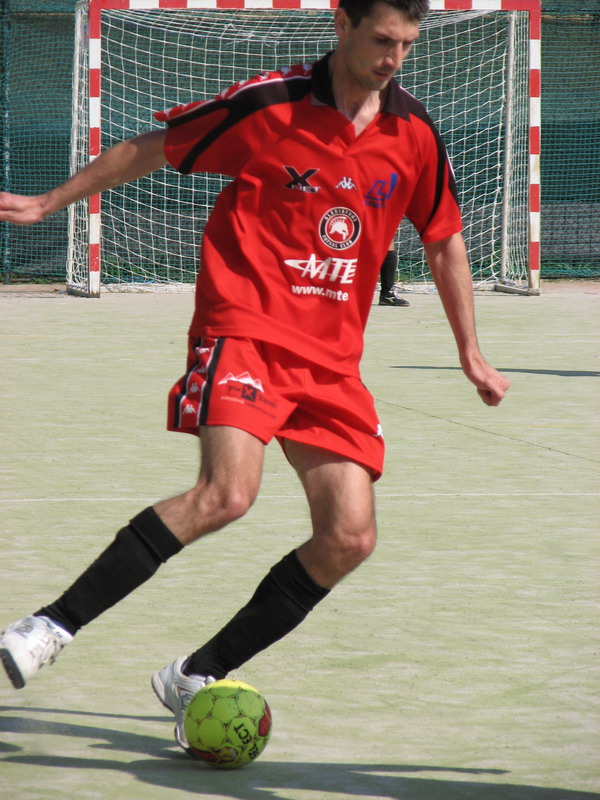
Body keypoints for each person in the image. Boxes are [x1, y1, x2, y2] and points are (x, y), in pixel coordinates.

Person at [0, 0, 510, 754]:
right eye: (381, 39)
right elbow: (151, 149)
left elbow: (443, 240)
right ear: (341, 23)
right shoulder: (269, 105)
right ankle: (49, 625)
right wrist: (49, 203)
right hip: (246, 329)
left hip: (331, 363)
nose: (394, 58)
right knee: (227, 494)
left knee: (349, 536)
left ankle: (195, 675)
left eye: (407, 43)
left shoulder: (414, 133)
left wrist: (471, 350)